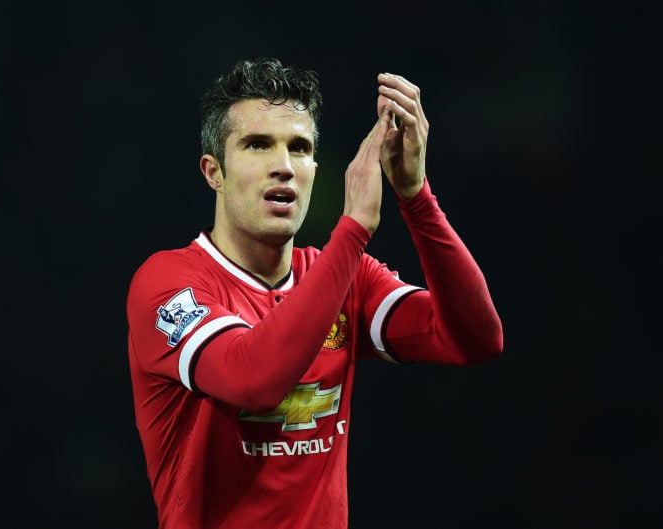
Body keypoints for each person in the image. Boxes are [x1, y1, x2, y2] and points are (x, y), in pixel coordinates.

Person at [126, 57, 503, 529]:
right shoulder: (167, 285)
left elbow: (473, 339)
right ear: (213, 172)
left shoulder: (345, 277)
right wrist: (354, 230)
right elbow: (254, 381)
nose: (283, 166)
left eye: (299, 148)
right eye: (258, 145)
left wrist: (416, 197)